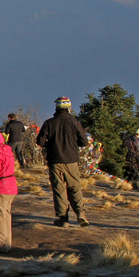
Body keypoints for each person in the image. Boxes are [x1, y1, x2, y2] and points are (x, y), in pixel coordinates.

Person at [36, 96, 91, 227]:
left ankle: (63, 218)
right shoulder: (75, 122)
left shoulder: (49, 123)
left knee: (59, 189)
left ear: (57, 108)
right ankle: (80, 214)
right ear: (69, 107)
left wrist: (51, 144)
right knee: (75, 187)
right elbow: (84, 142)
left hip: (55, 160)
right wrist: (72, 143)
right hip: (71, 160)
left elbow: (40, 142)